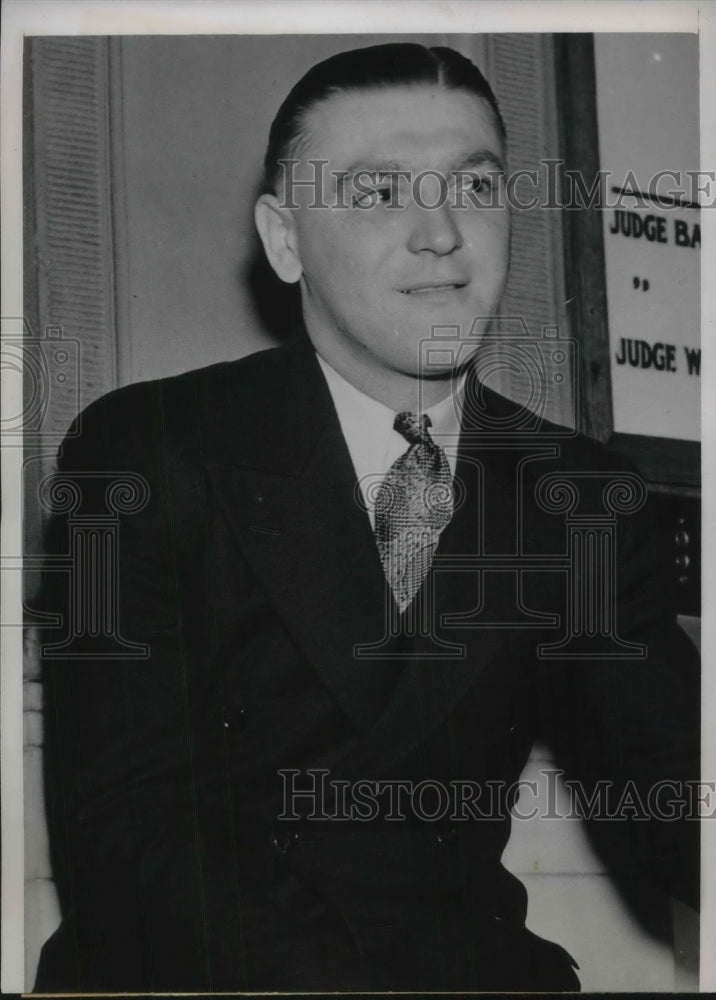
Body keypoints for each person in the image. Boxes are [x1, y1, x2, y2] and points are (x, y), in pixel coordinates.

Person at [35, 42, 699, 992]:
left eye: (473, 190)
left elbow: (670, 788)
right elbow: (127, 838)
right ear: (285, 237)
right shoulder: (140, 450)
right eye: (380, 192)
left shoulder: (582, 496)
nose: (440, 234)